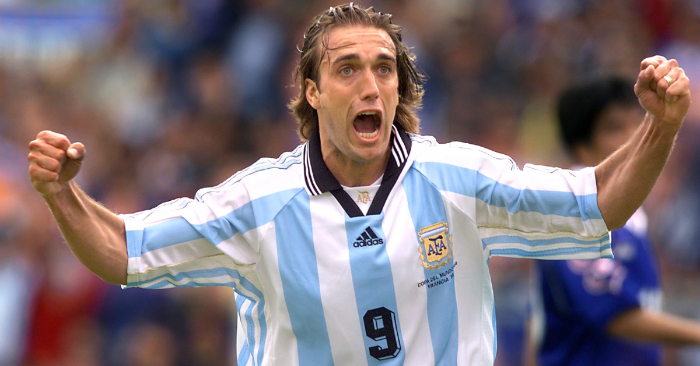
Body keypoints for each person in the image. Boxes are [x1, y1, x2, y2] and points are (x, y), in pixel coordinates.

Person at [26, 4, 691, 366]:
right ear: (312, 94)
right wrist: (63, 194)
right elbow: (124, 252)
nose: (370, 84)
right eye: (347, 69)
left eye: (383, 68)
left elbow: (597, 203)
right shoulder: (259, 204)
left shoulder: (458, 178)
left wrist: (659, 128)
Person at [527, 76, 700, 366]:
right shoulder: (571, 214)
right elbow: (615, 314)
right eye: (615, 127)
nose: (634, 136)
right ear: (582, 147)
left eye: (638, 122)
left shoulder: (633, 217)